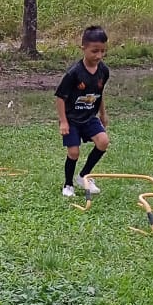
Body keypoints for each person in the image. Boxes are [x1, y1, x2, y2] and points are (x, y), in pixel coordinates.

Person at [54, 26, 110, 198]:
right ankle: (68, 184)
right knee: (73, 152)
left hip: (90, 117)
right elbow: (60, 97)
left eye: (102, 51)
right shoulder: (74, 73)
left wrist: (103, 113)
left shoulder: (103, 71)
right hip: (71, 119)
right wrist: (63, 121)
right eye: (94, 51)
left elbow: (99, 94)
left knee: (103, 141)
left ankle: (83, 176)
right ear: (83, 48)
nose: (99, 55)